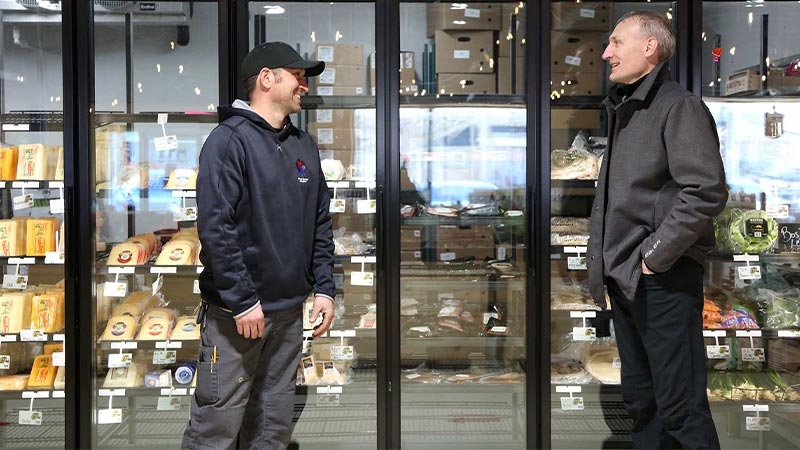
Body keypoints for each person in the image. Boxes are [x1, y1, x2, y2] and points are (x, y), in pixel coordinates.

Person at [182, 41, 336, 450]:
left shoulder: (303, 145)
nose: (304, 85)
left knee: (272, 424)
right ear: (267, 79)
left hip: (288, 314)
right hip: (238, 318)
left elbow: (320, 222)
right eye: (298, 76)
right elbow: (216, 228)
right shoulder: (228, 141)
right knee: (216, 424)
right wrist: (242, 299)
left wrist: (324, 288)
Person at [586, 11, 727, 450]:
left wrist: (654, 257)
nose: (607, 53)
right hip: (627, 279)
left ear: (649, 47)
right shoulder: (627, 110)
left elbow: (704, 190)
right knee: (642, 401)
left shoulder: (677, 106)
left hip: (660, 280)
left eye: (615, 42)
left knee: (679, 406)